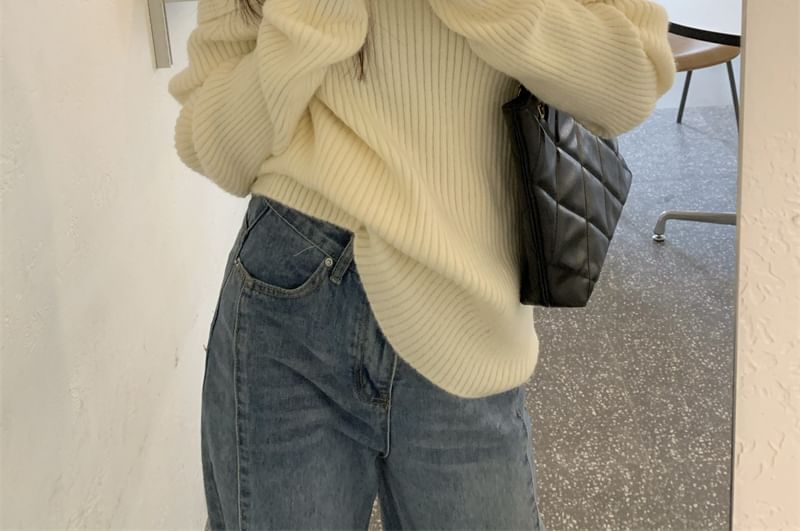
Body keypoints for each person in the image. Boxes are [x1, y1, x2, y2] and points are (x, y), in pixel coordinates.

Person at [167, 0, 675, 529]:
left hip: (469, 314)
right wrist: (314, 16)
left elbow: (634, 78)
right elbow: (211, 144)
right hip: (295, 293)